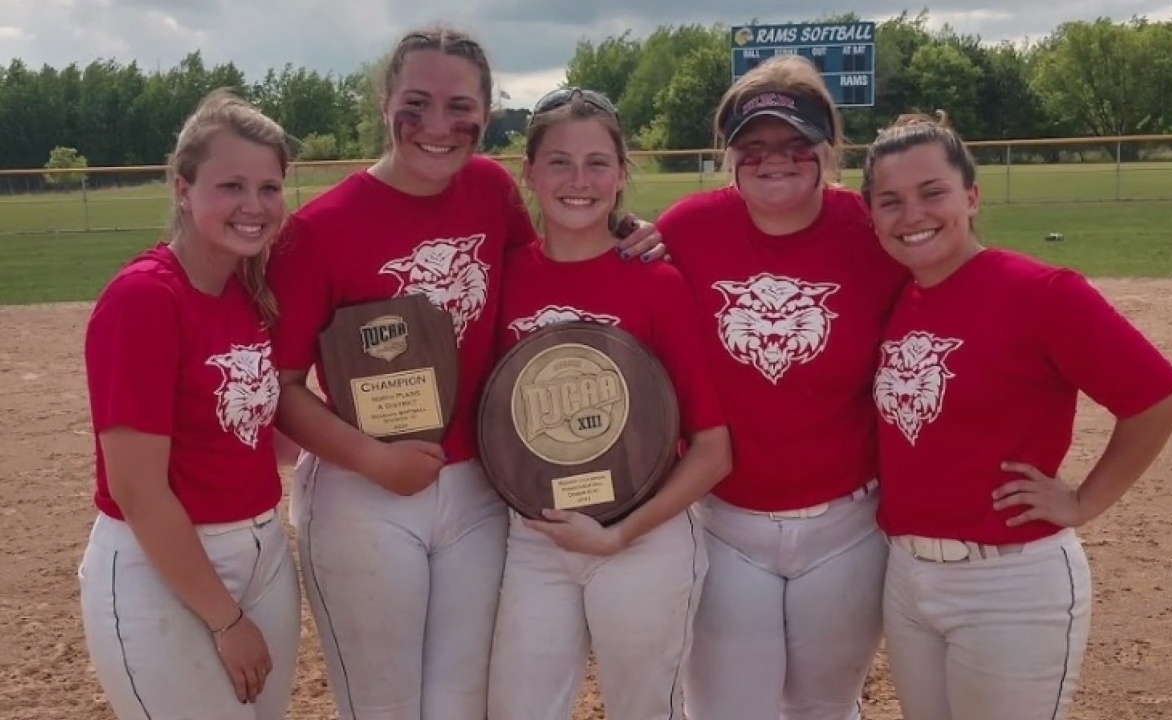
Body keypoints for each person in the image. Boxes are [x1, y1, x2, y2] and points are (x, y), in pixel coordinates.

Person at [264, 26, 665, 720]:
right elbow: (284, 387)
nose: (438, 126)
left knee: (463, 704)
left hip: (480, 482)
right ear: (385, 100)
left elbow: (544, 271)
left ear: (487, 112)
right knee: (384, 704)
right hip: (365, 489)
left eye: (461, 108)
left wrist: (626, 229)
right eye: (417, 103)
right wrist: (373, 459)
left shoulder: (487, 188)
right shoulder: (320, 228)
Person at [861, 111, 1172, 720]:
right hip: (906, 575)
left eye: (932, 192)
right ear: (873, 216)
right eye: (891, 201)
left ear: (972, 196)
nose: (912, 215)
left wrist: (1084, 502)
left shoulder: (1041, 291)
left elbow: (1159, 397)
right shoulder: (897, 295)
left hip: (1009, 583)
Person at [653, 54, 908, 720]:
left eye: (796, 143)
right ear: (729, 154)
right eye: (754, 145)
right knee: (725, 709)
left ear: (827, 149)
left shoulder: (871, 230)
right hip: (726, 520)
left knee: (825, 707)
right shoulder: (686, 229)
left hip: (848, 522)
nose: (774, 159)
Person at [484, 87, 733, 720]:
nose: (579, 180)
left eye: (598, 163)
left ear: (622, 174)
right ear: (529, 172)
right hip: (536, 535)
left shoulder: (657, 282)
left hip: (643, 535)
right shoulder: (505, 275)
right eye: (559, 162)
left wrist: (620, 533)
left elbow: (713, 450)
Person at [78, 89, 301, 720]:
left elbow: (267, 442)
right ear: (183, 188)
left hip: (262, 551)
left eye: (269, 187)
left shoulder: (249, 290)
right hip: (163, 566)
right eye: (231, 186)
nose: (254, 206)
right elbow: (138, 490)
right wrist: (225, 620)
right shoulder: (144, 299)